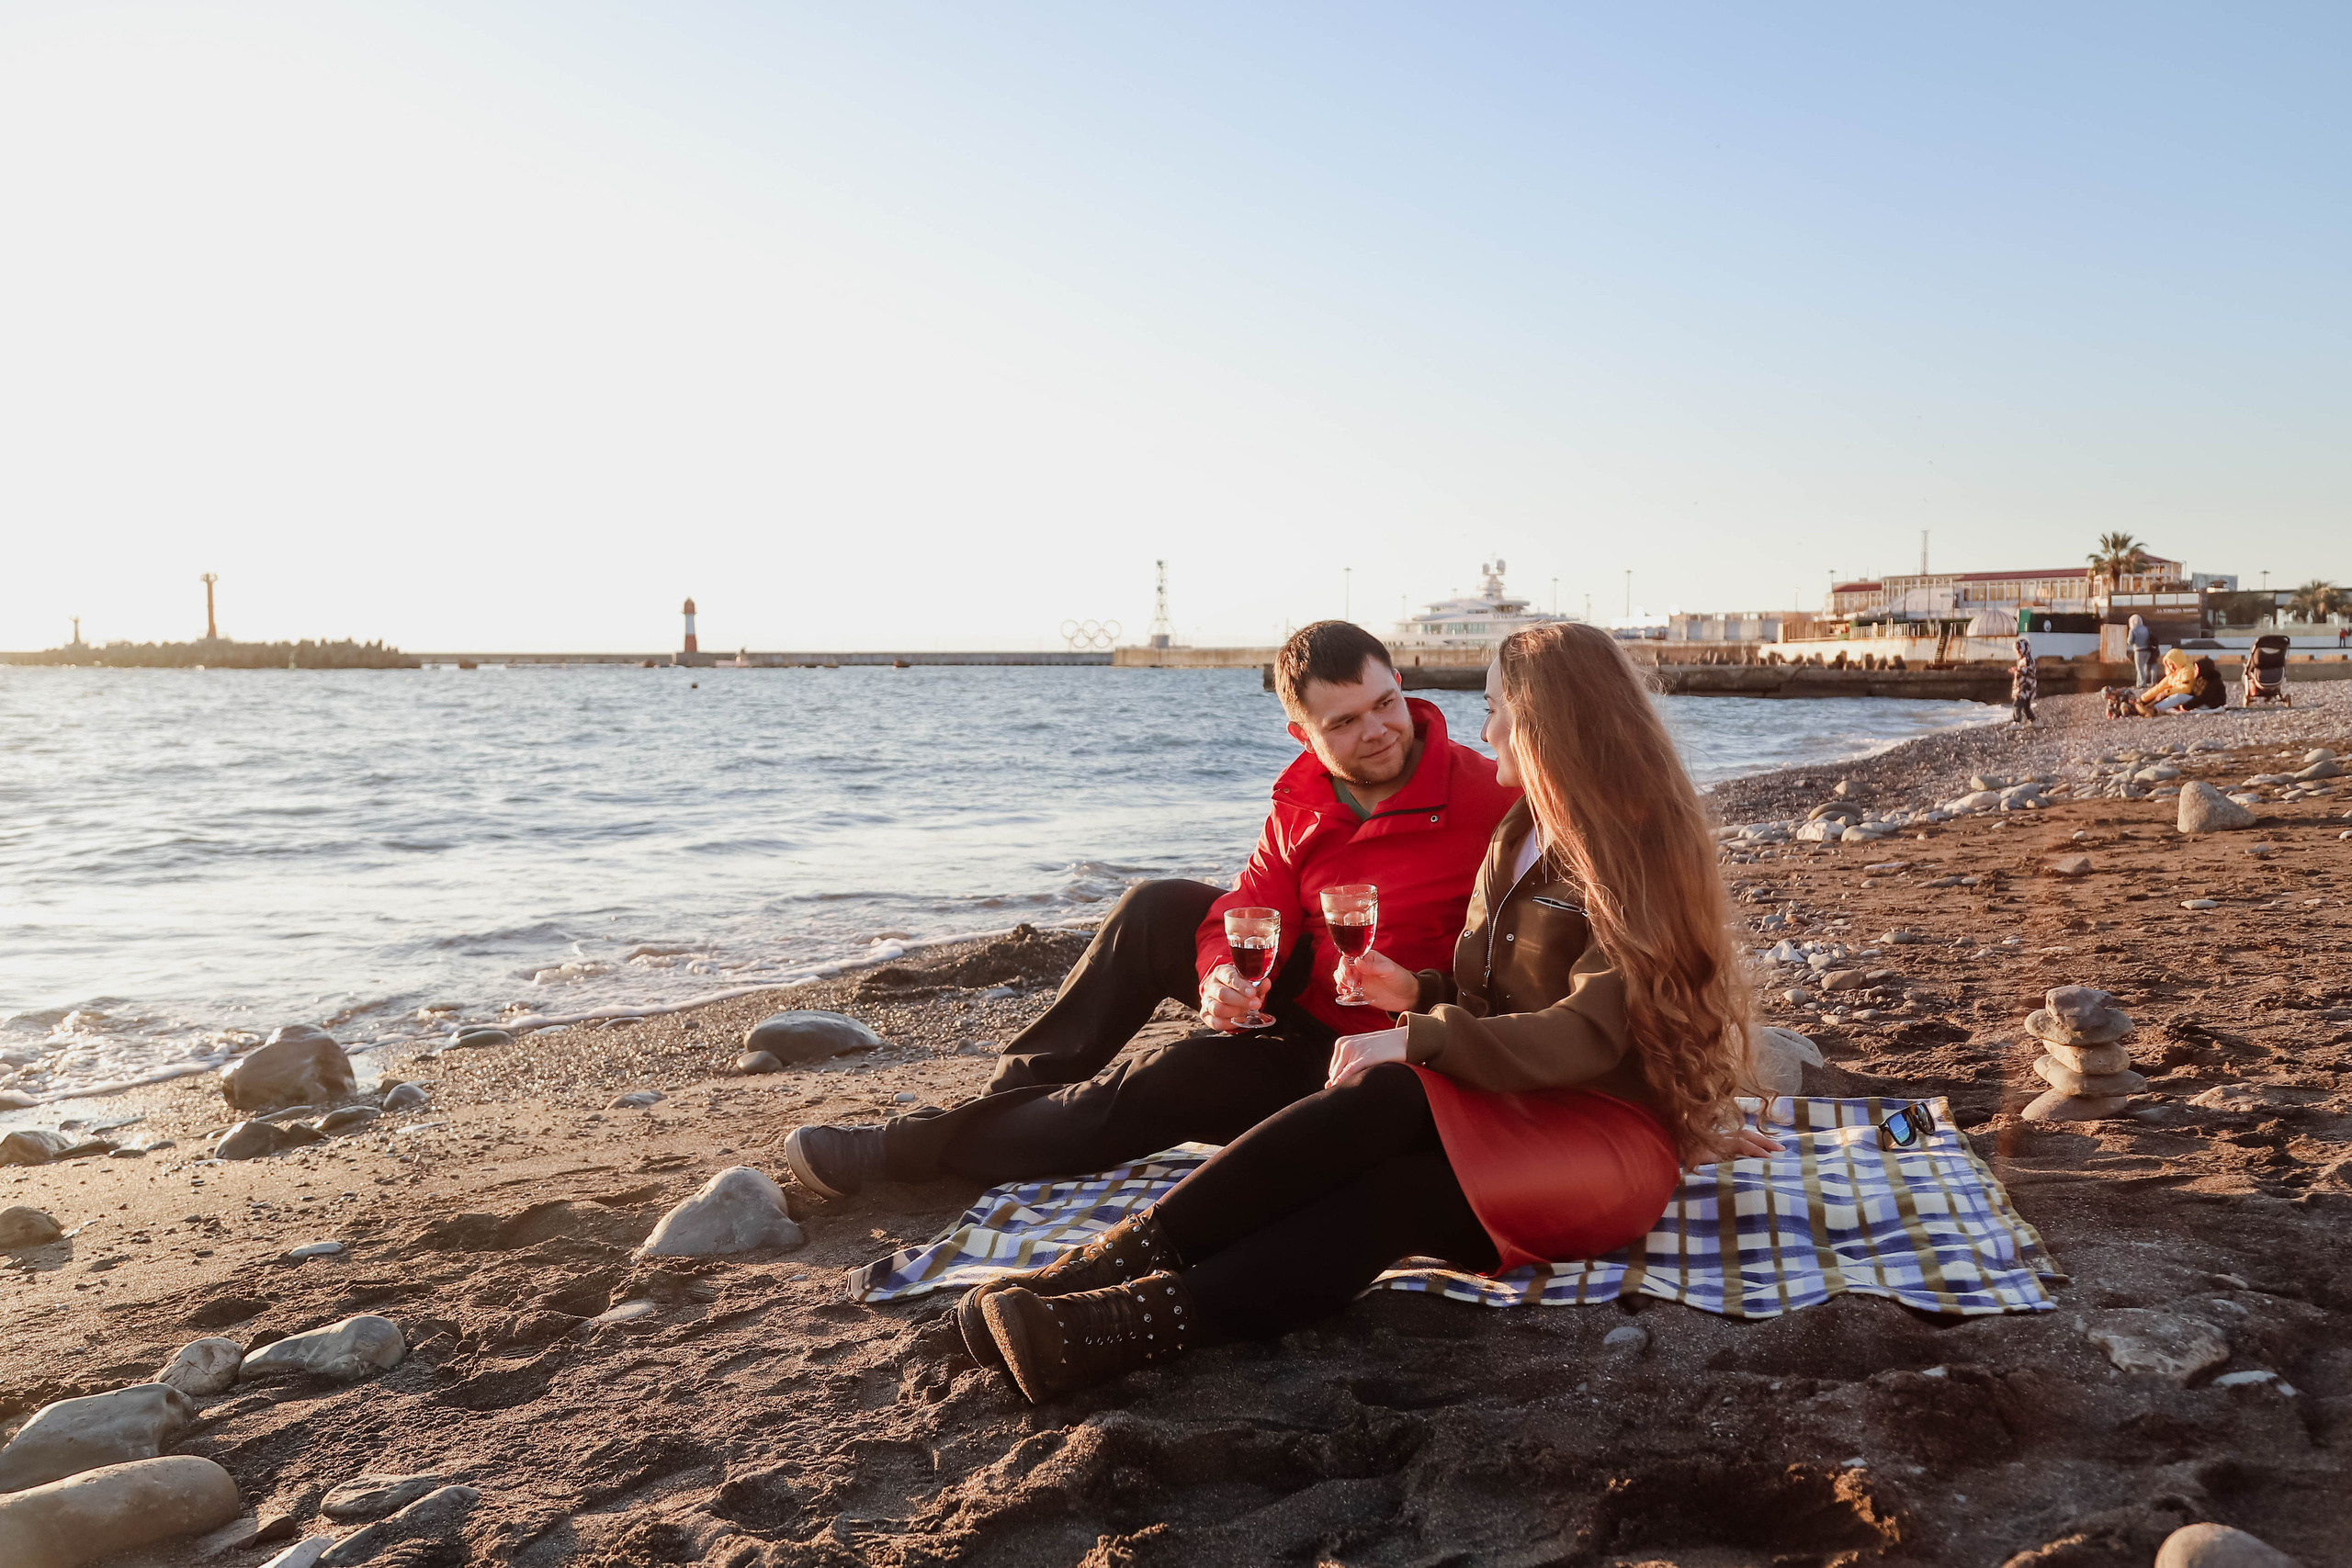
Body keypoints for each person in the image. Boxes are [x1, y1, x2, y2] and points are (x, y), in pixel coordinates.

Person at [956, 622, 1783, 1402]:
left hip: (1605, 1132)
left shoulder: (1634, 851)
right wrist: (1417, 993)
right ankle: (1096, 1271)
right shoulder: (1520, 833)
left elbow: (1587, 1030)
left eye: (1495, 710)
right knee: (1380, 1100)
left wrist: (1418, 1035)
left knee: (1405, 1190)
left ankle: (1120, 1327)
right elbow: (1494, 996)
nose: (1482, 728)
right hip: (1525, 1099)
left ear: (1541, 724)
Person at [780, 620, 1521, 1200]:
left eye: (1385, 702)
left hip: (1379, 1045)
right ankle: (1008, 1103)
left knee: (1171, 1075)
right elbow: (1251, 906)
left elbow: (1522, 963)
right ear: (1305, 734)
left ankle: (912, 1148)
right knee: (1156, 904)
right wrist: (1221, 976)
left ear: (1400, 681)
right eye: (1346, 722)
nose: (1378, 729)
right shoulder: (1302, 796)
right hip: (1310, 995)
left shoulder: (1496, 794)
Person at [2009, 637, 2038, 725]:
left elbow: (2029, 671)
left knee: (2017, 705)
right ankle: (2033, 721)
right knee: (2026, 707)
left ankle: (2017, 722)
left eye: (2019, 649)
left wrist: (2018, 670)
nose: (2018, 652)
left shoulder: (2027, 659)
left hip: (2025, 687)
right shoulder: (2023, 659)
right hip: (2025, 687)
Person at [2128, 614, 2157, 687]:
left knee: (2139, 668)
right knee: (2144, 667)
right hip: (2148, 650)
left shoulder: (2133, 630)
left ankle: (2142, 684)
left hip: (2139, 651)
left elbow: (2130, 641)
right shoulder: (2146, 629)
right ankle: (2139, 683)